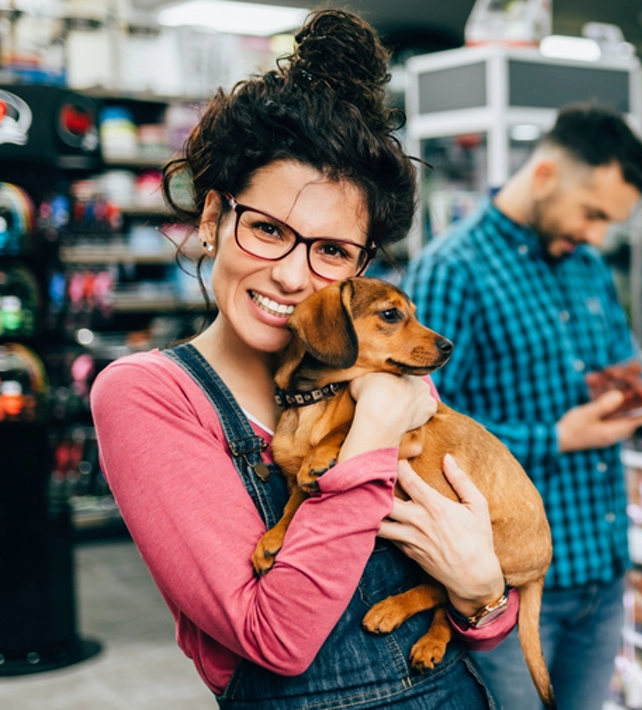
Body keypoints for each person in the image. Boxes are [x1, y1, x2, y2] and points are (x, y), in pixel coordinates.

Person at [90, 11, 516, 709]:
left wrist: (481, 595)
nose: (292, 277)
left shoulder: (378, 370)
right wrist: (374, 436)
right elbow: (278, 639)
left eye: (332, 251)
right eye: (266, 230)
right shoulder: (151, 395)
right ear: (210, 219)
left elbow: (480, 622)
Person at [402, 104, 642, 710]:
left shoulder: (588, 268)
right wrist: (558, 437)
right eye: (593, 214)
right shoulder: (451, 270)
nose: (596, 236)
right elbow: (418, 427)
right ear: (544, 175)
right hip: (508, 583)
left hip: (602, 566)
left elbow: (619, 385)